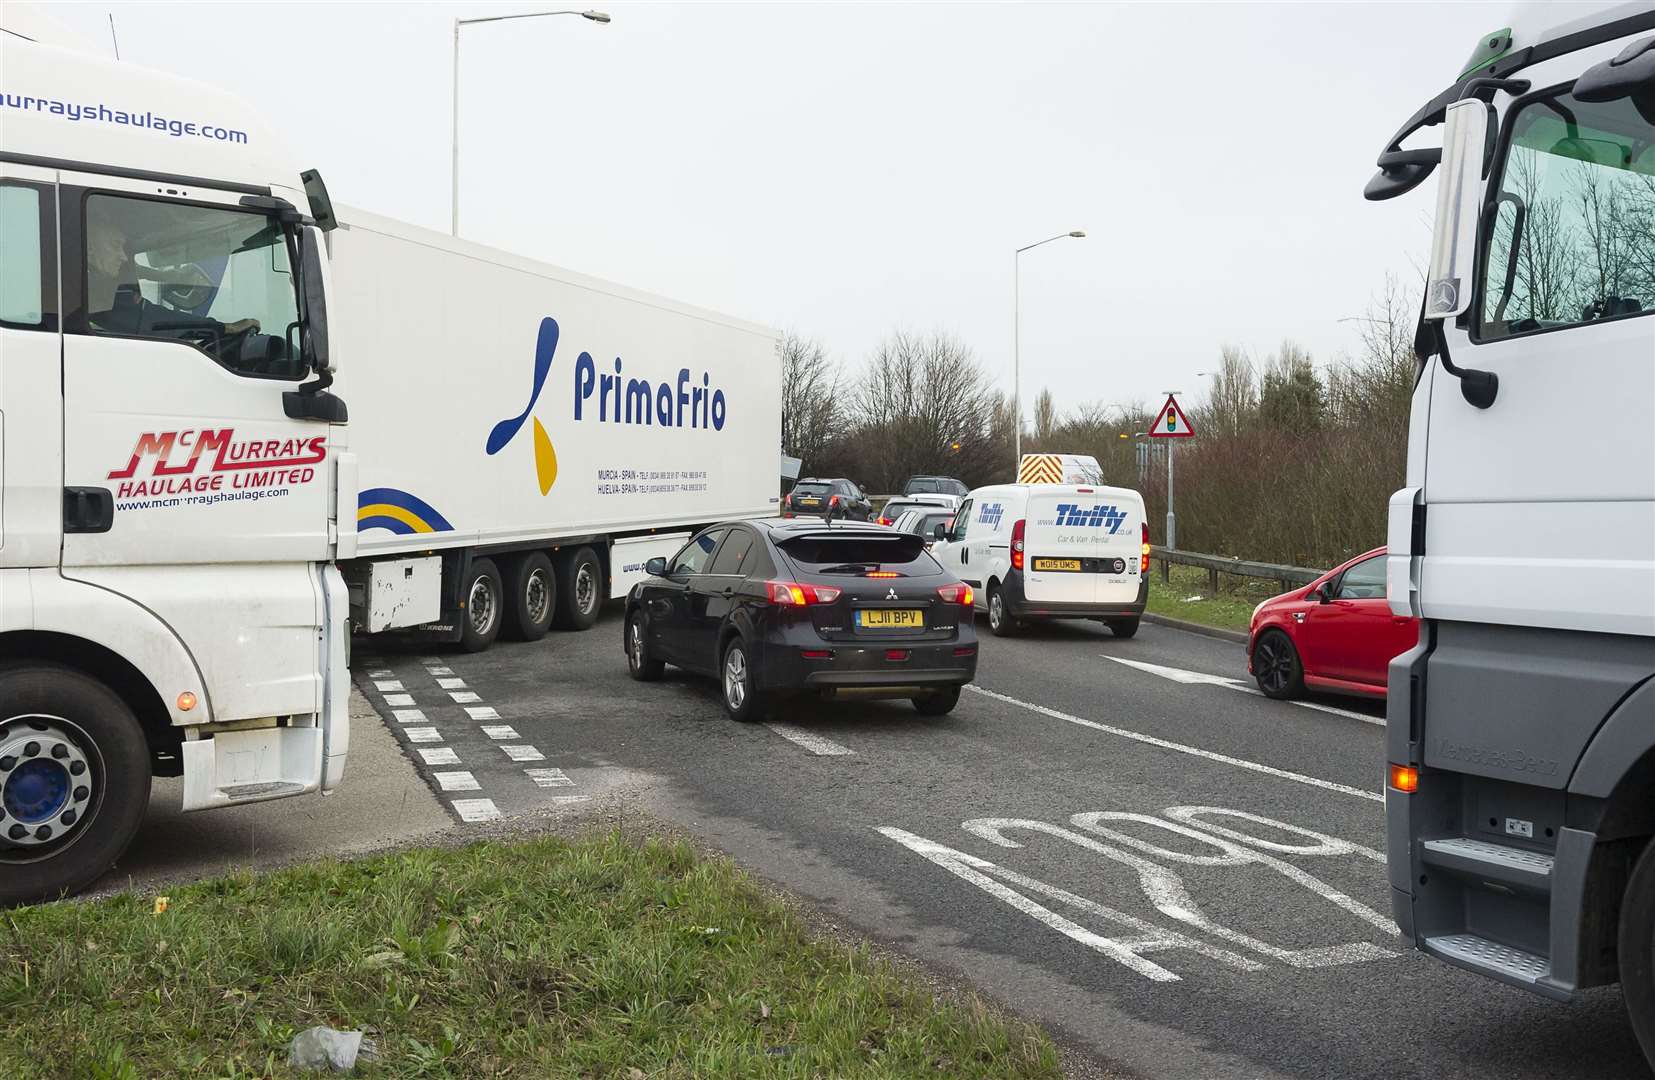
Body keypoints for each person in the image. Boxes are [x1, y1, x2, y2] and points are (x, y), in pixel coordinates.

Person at [85, 221, 260, 339]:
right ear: (90, 249)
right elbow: (153, 321)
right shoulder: (91, 291)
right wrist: (224, 328)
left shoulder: (82, 281)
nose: (123, 258)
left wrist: (165, 276)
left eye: (125, 249)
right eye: (115, 246)